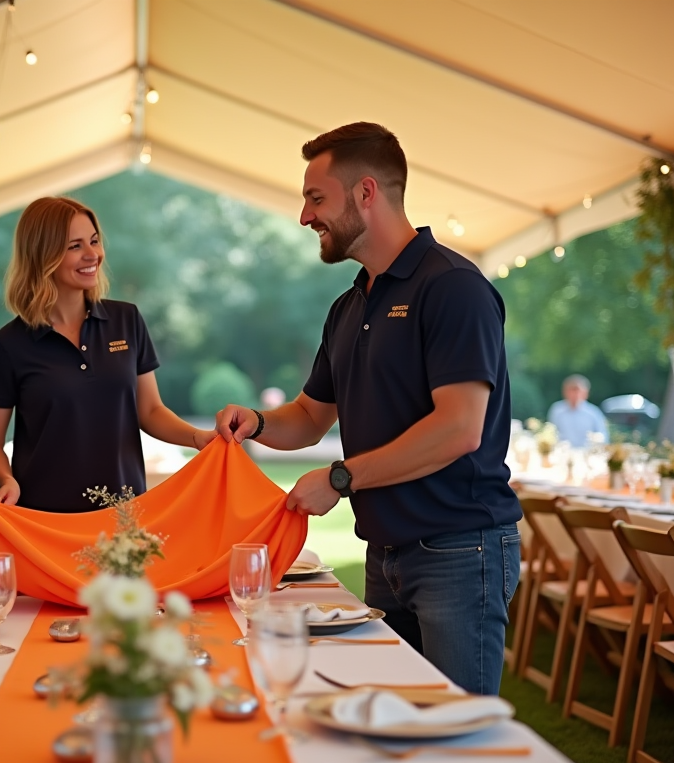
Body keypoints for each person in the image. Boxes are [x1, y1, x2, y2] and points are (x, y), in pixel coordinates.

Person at [214, 123, 522, 695]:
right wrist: (255, 423)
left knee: (458, 738)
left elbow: (459, 428)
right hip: (384, 555)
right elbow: (309, 416)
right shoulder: (350, 303)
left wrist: (341, 477)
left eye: (315, 198)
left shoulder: (453, 287)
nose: (305, 217)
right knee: (395, 726)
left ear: (365, 193)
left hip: (460, 551)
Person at [0, 196, 214, 512]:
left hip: (125, 515)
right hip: (45, 518)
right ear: (42, 254)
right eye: (75, 246)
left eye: (94, 241)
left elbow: (151, 411)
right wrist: (6, 479)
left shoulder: (126, 320)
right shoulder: (8, 344)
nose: (93, 255)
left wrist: (198, 438)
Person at [547, 374, 608, 446]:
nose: (575, 394)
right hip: (562, 453)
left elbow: (603, 436)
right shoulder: (556, 410)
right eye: (571, 390)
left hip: (587, 454)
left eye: (578, 390)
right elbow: (550, 434)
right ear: (564, 392)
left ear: (586, 393)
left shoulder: (593, 412)